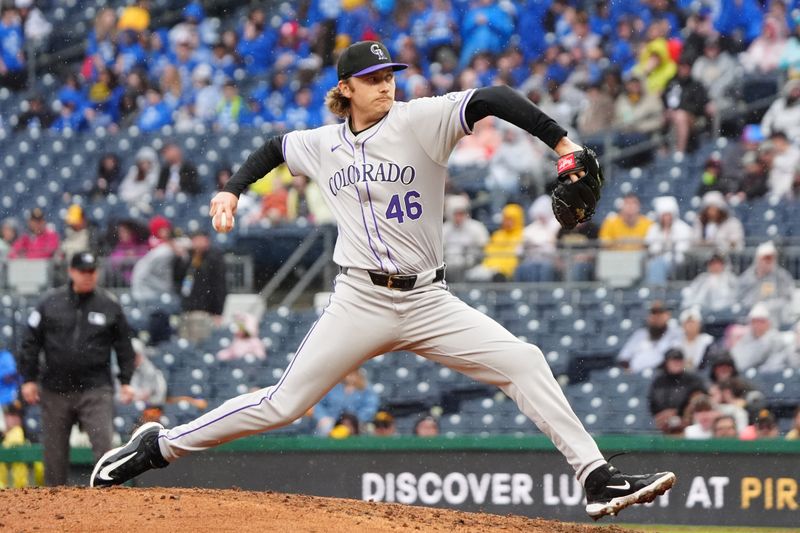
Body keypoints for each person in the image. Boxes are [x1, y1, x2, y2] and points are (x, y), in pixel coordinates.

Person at [91, 40, 675, 520]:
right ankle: (159, 446)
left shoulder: (421, 119)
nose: (386, 84)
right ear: (345, 88)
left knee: (523, 360)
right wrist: (232, 188)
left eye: (389, 74)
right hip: (359, 299)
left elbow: (494, 97)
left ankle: (596, 478)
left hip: (428, 299)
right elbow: (274, 146)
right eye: (372, 78)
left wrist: (564, 144)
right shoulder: (323, 144)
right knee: (283, 404)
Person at [19, 252, 136, 486]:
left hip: (95, 388)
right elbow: (30, 342)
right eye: (83, 271)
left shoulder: (109, 305)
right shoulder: (49, 303)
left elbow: (124, 345)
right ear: (71, 272)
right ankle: (54, 509)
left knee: (105, 450)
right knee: (54, 455)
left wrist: (125, 381)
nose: (87, 276)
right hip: (55, 389)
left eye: (92, 271)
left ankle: (112, 504)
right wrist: (29, 379)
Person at [172, 229, 227, 341]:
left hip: (205, 311)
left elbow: (219, 287)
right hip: (186, 309)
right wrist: (180, 256)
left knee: (200, 342)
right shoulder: (189, 257)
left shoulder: (214, 257)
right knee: (185, 341)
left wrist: (218, 312)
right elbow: (177, 277)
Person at [648, 349, 707, 435]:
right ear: (666, 363)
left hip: (688, 423)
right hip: (662, 422)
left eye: (679, 360)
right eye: (673, 360)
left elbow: (701, 399)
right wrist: (663, 415)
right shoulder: (658, 382)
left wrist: (681, 414)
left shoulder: (693, 379)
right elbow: (652, 404)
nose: (677, 363)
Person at [737, 241, 794, 324]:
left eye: (771, 258)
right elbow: (740, 297)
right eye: (765, 258)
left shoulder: (781, 276)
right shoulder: (748, 276)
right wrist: (754, 305)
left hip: (775, 318)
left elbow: (787, 298)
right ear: (758, 259)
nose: (768, 261)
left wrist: (767, 306)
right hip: (750, 316)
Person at [618, 300, 683, 373]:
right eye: (653, 313)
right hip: (635, 376)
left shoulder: (676, 333)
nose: (656, 317)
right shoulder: (640, 334)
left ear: (667, 315)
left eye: (660, 313)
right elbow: (623, 358)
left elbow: (675, 358)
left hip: (661, 376)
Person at [312, 369, 378, 436]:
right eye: (348, 374)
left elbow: (370, 407)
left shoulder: (365, 389)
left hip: (356, 423)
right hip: (332, 421)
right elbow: (319, 404)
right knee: (325, 428)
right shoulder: (332, 386)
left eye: (353, 374)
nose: (350, 377)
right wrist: (323, 417)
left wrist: (355, 421)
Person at [644, 196, 692, 285]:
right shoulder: (654, 229)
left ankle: (657, 292)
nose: (666, 218)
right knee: (655, 265)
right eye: (664, 215)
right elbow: (652, 248)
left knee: (658, 265)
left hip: (678, 262)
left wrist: (668, 254)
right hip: (658, 260)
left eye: (668, 215)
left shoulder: (682, 227)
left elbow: (683, 249)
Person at [441, 194, 489, 282]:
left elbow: (483, 249)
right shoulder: (444, 229)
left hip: (471, 266)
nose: (459, 217)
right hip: (448, 268)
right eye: (456, 213)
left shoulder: (477, 227)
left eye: (461, 213)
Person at [730, 303, 788, 372]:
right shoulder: (746, 338)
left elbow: (774, 363)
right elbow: (736, 359)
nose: (757, 325)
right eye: (754, 321)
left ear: (768, 322)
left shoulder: (776, 340)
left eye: (761, 321)